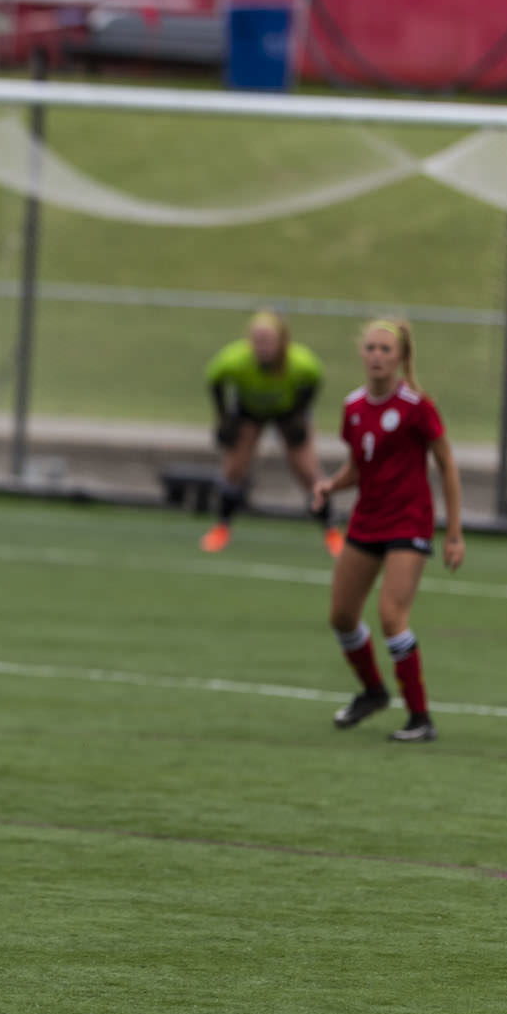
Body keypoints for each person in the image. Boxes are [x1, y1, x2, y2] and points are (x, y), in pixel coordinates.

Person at [312, 319, 464, 744]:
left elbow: (446, 464)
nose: (377, 356)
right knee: (341, 616)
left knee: (392, 617)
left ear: (400, 358)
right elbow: (360, 467)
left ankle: (420, 718)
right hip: (367, 519)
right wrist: (330, 485)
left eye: (386, 350)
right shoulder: (354, 407)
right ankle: (374, 692)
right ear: (361, 354)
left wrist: (454, 532)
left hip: (408, 522)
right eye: (371, 348)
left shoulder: (417, 406)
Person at [201, 312, 338, 555]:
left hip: (288, 410)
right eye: (258, 341)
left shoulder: (299, 362)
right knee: (234, 469)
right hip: (249, 410)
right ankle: (221, 528)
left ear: (282, 342)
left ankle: (331, 531)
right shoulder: (236, 359)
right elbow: (214, 380)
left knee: (307, 471)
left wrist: (300, 413)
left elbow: (315, 379)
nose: (262, 347)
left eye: (268, 341)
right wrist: (223, 418)